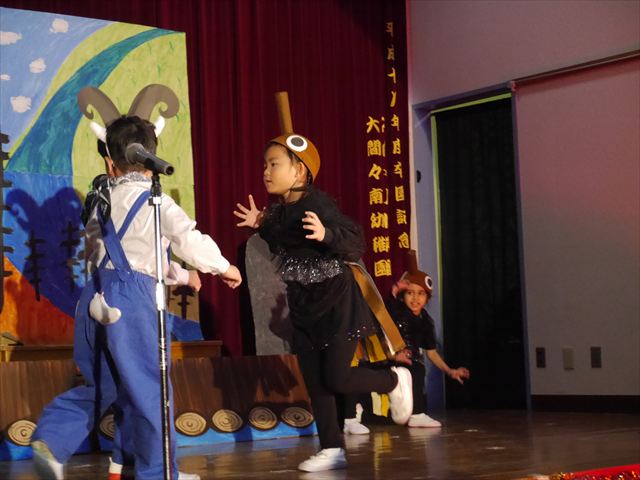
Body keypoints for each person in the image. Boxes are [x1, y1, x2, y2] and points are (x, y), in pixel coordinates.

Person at [31, 116, 242, 480]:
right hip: (132, 302)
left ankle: (53, 438)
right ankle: (158, 472)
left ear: (110, 161)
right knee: (150, 389)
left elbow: (117, 256)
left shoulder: (100, 201)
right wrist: (223, 267)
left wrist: (183, 276)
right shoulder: (155, 201)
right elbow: (186, 241)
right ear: (150, 159)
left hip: (95, 295)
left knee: (105, 385)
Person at [234, 122, 413, 473]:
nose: (266, 172)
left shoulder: (318, 203)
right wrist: (260, 224)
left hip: (337, 303)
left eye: (274, 164)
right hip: (304, 305)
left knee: (336, 378)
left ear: (300, 170)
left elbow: (354, 241)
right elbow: (281, 237)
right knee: (316, 383)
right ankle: (332, 448)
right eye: (265, 165)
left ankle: (393, 380)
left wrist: (326, 233)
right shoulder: (280, 212)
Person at [343, 251, 470, 432]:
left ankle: (416, 414)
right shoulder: (396, 309)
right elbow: (380, 312)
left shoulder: (426, 321)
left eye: (421, 294)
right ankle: (351, 418)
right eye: (410, 293)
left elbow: (431, 352)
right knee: (356, 373)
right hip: (384, 359)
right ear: (403, 295)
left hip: (408, 364)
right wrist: (394, 291)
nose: (415, 298)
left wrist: (450, 371)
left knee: (417, 369)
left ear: (427, 298)